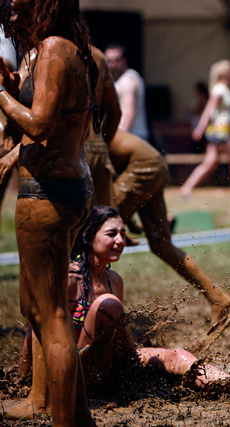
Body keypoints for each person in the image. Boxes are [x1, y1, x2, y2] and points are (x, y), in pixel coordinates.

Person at [16, 206, 230, 409]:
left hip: (116, 365)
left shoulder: (115, 281)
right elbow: (35, 331)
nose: (120, 241)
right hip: (76, 372)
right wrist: (25, 379)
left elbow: (118, 338)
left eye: (122, 234)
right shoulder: (68, 279)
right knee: (106, 304)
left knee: (176, 354)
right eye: (111, 234)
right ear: (89, 237)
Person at [0, 0, 101, 424]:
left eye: (23, 7)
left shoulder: (57, 49)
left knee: (54, 317)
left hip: (49, 195)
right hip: (60, 190)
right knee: (38, 311)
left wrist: (0, 95)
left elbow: (39, 125)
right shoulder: (62, 50)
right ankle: (78, 418)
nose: (12, 16)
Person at [109, 129, 230, 321]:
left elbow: (100, 172)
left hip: (139, 166)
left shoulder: (77, 122)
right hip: (152, 161)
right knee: (160, 243)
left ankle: (89, 309)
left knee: (95, 232)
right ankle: (217, 297)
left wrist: (115, 221)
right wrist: (125, 219)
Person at [180, 60, 230, 200]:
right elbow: (209, 109)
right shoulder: (219, 89)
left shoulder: (222, 88)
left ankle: (186, 188)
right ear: (224, 73)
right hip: (222, 131)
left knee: (210, 164)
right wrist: (200, 128)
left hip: (218, 131)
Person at [85, 45, 121, 206]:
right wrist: (103, 146)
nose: (113, 63)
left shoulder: (44, 52)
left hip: (69, 149)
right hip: (97, 146)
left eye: (117, 60)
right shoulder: (97, 55)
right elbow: (116, 112)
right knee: (103, 217)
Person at [104, 43, 150, 142]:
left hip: (132, 137)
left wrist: (118, 141)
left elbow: (129, 113)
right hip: (133, 136)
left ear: (124, 60)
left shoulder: (127, 81)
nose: (112, 64)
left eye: (117, 60)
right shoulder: (122, 79)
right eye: (109, 61)